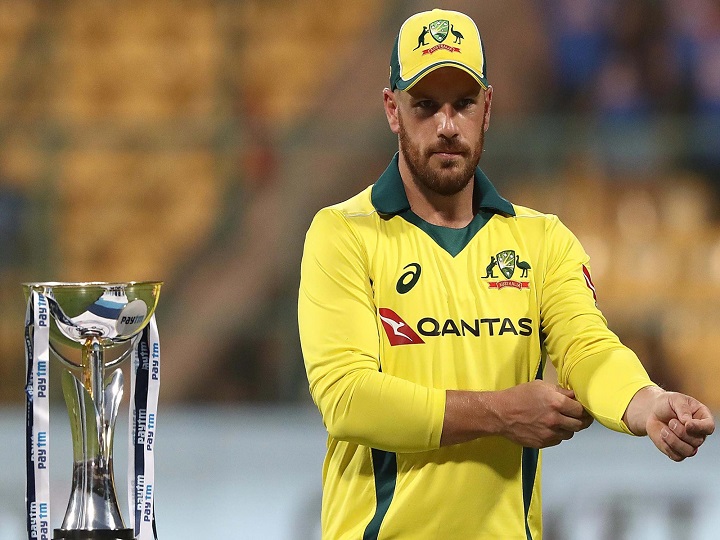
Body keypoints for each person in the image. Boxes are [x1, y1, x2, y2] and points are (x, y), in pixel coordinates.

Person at [297, 8, 715, 539]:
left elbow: (587, 349)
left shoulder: (542, 239)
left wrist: (647, 401)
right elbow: (349, 399)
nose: (447, 125)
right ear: (392, 109)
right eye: (425, 105)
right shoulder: (342, 234)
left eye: (463, 103)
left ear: (488, 108)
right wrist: (500, 413)